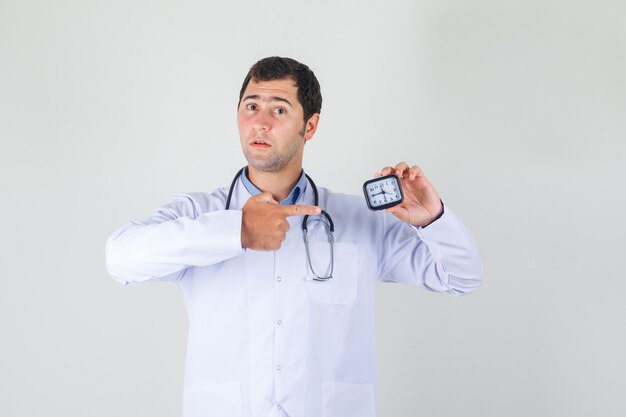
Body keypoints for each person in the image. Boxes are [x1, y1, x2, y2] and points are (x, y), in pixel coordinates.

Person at [105, 56, 484, 417]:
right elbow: (120, 258)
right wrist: (234, 229)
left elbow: (461, 276)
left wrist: (431, 219)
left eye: (280, 109)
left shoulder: (359, 221)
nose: (261, 122)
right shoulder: (198, 215)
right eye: (251, 106)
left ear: (311, 126)